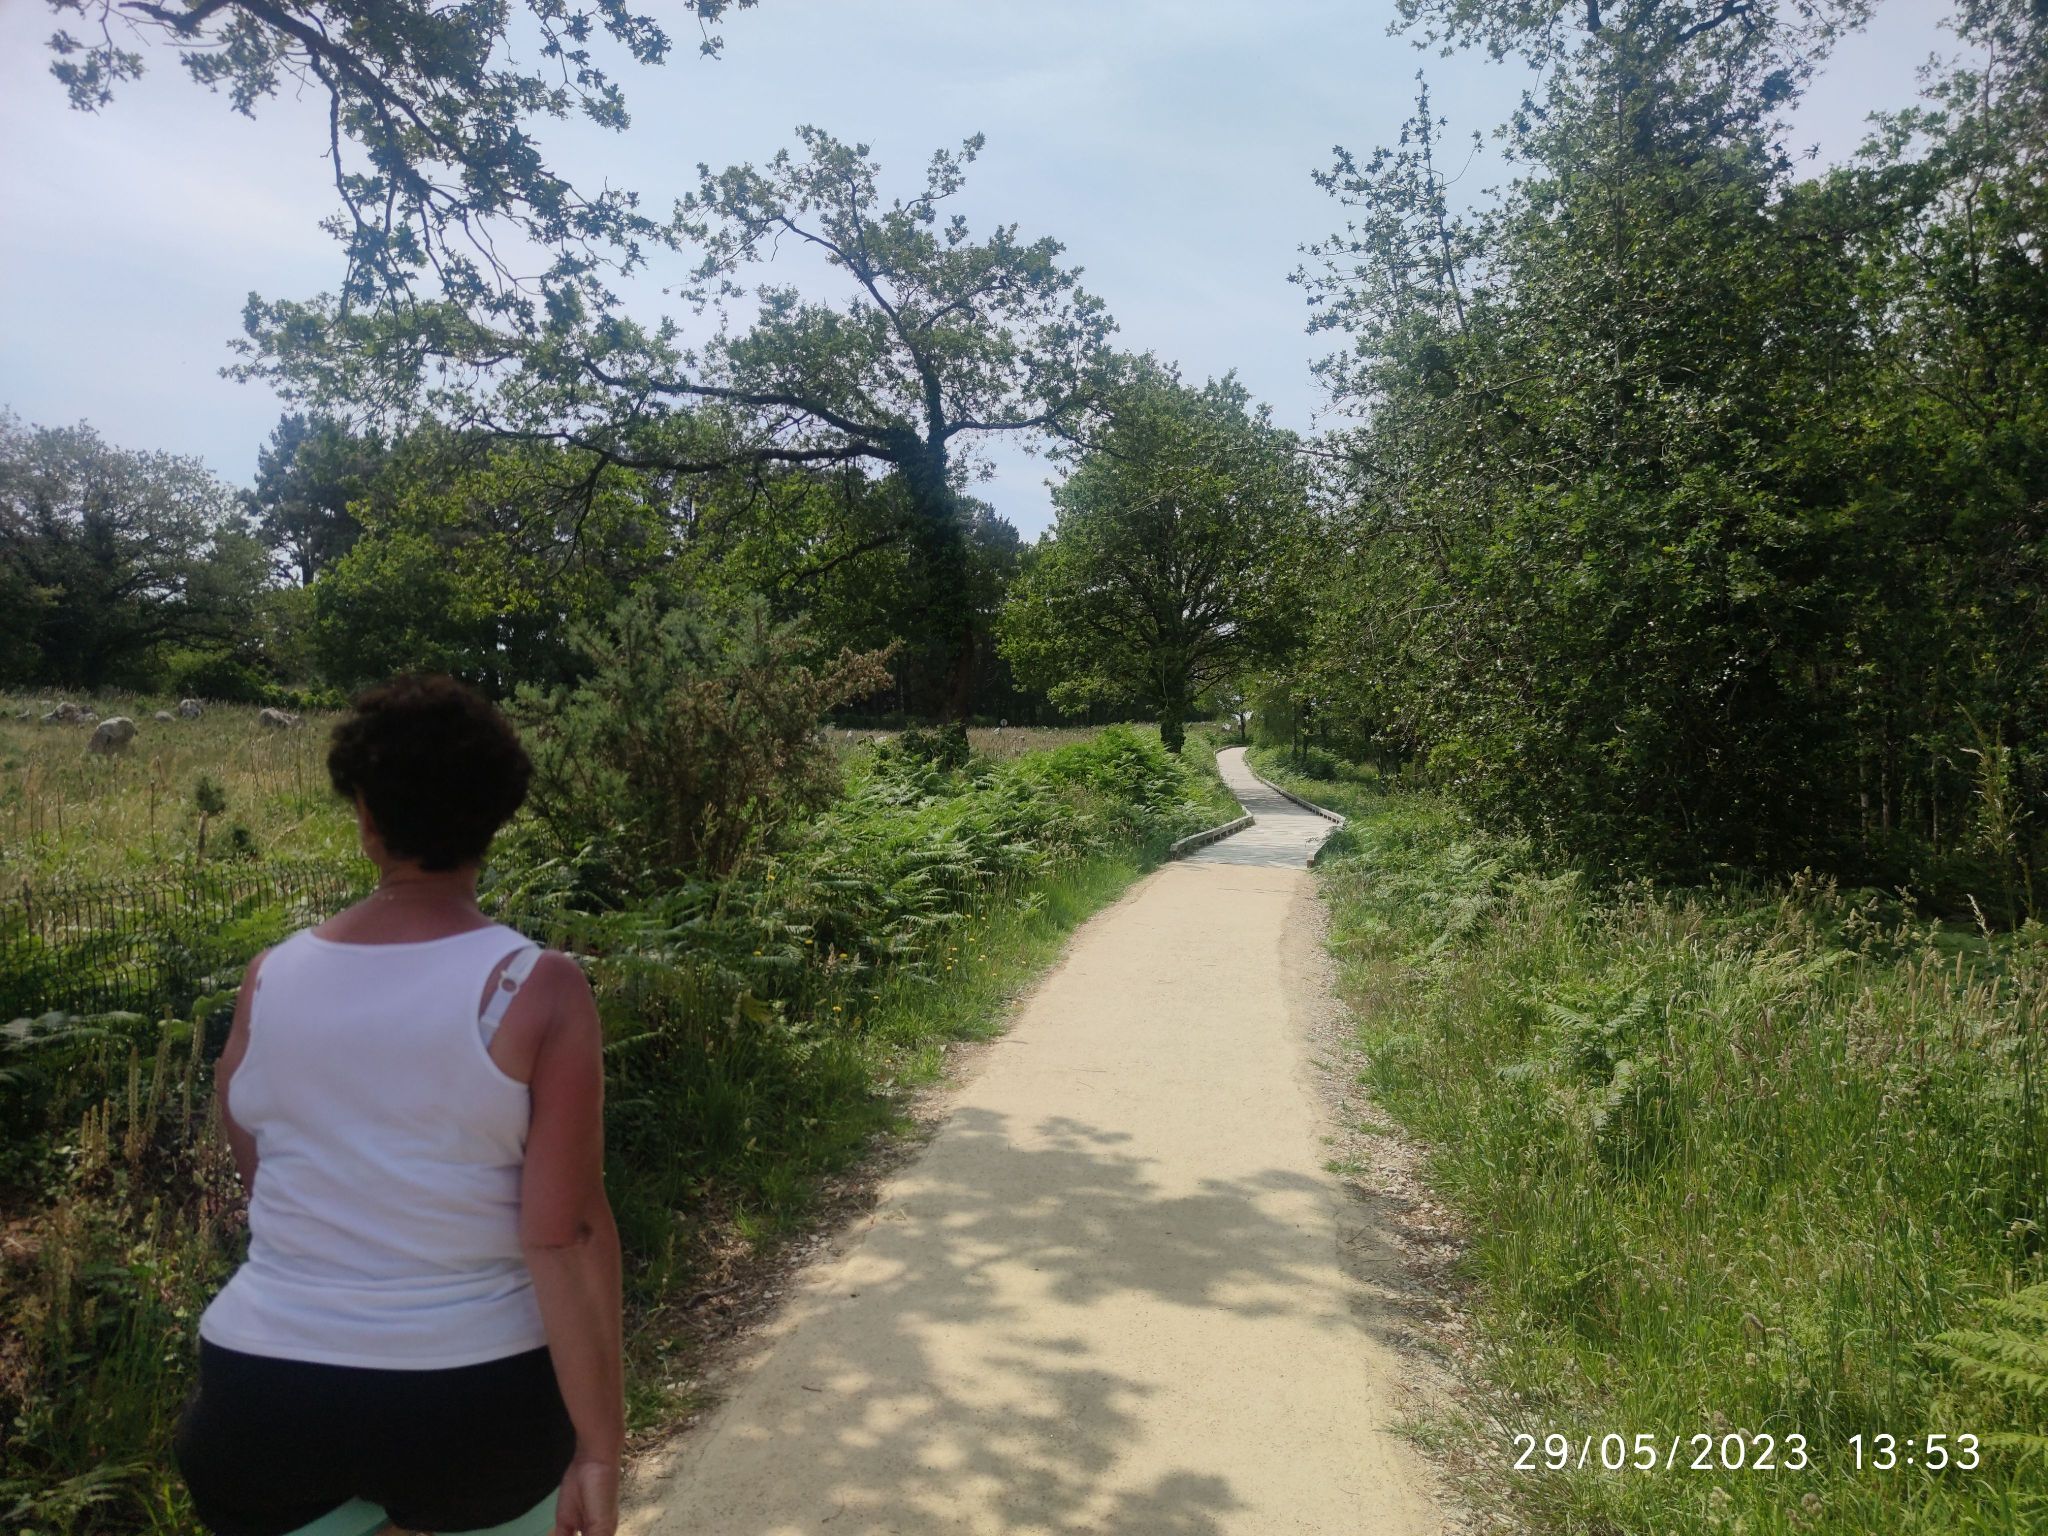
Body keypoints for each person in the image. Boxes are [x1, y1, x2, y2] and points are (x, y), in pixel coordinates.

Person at [174, 676, 623, 1536]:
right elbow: (564, 1232)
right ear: (496, 818)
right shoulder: (537, 988)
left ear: (366, 817)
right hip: (472, 1398)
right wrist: (599, 1449)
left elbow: (261, 1167)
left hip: (263, 1392)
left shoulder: (269, 979)